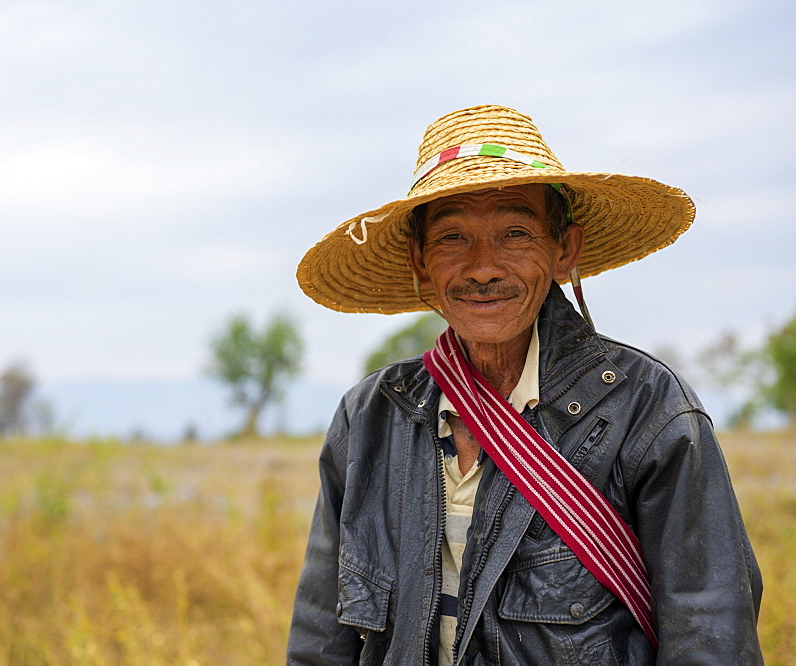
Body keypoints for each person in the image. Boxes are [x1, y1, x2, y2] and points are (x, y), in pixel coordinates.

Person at [288, 105, 762, 665]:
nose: (483, 266)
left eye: (515, 233)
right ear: (420, 264)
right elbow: (322, 639)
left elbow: (710, 636)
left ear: (564, 250)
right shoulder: (370, 417)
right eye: (452, 238)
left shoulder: (647, 409)